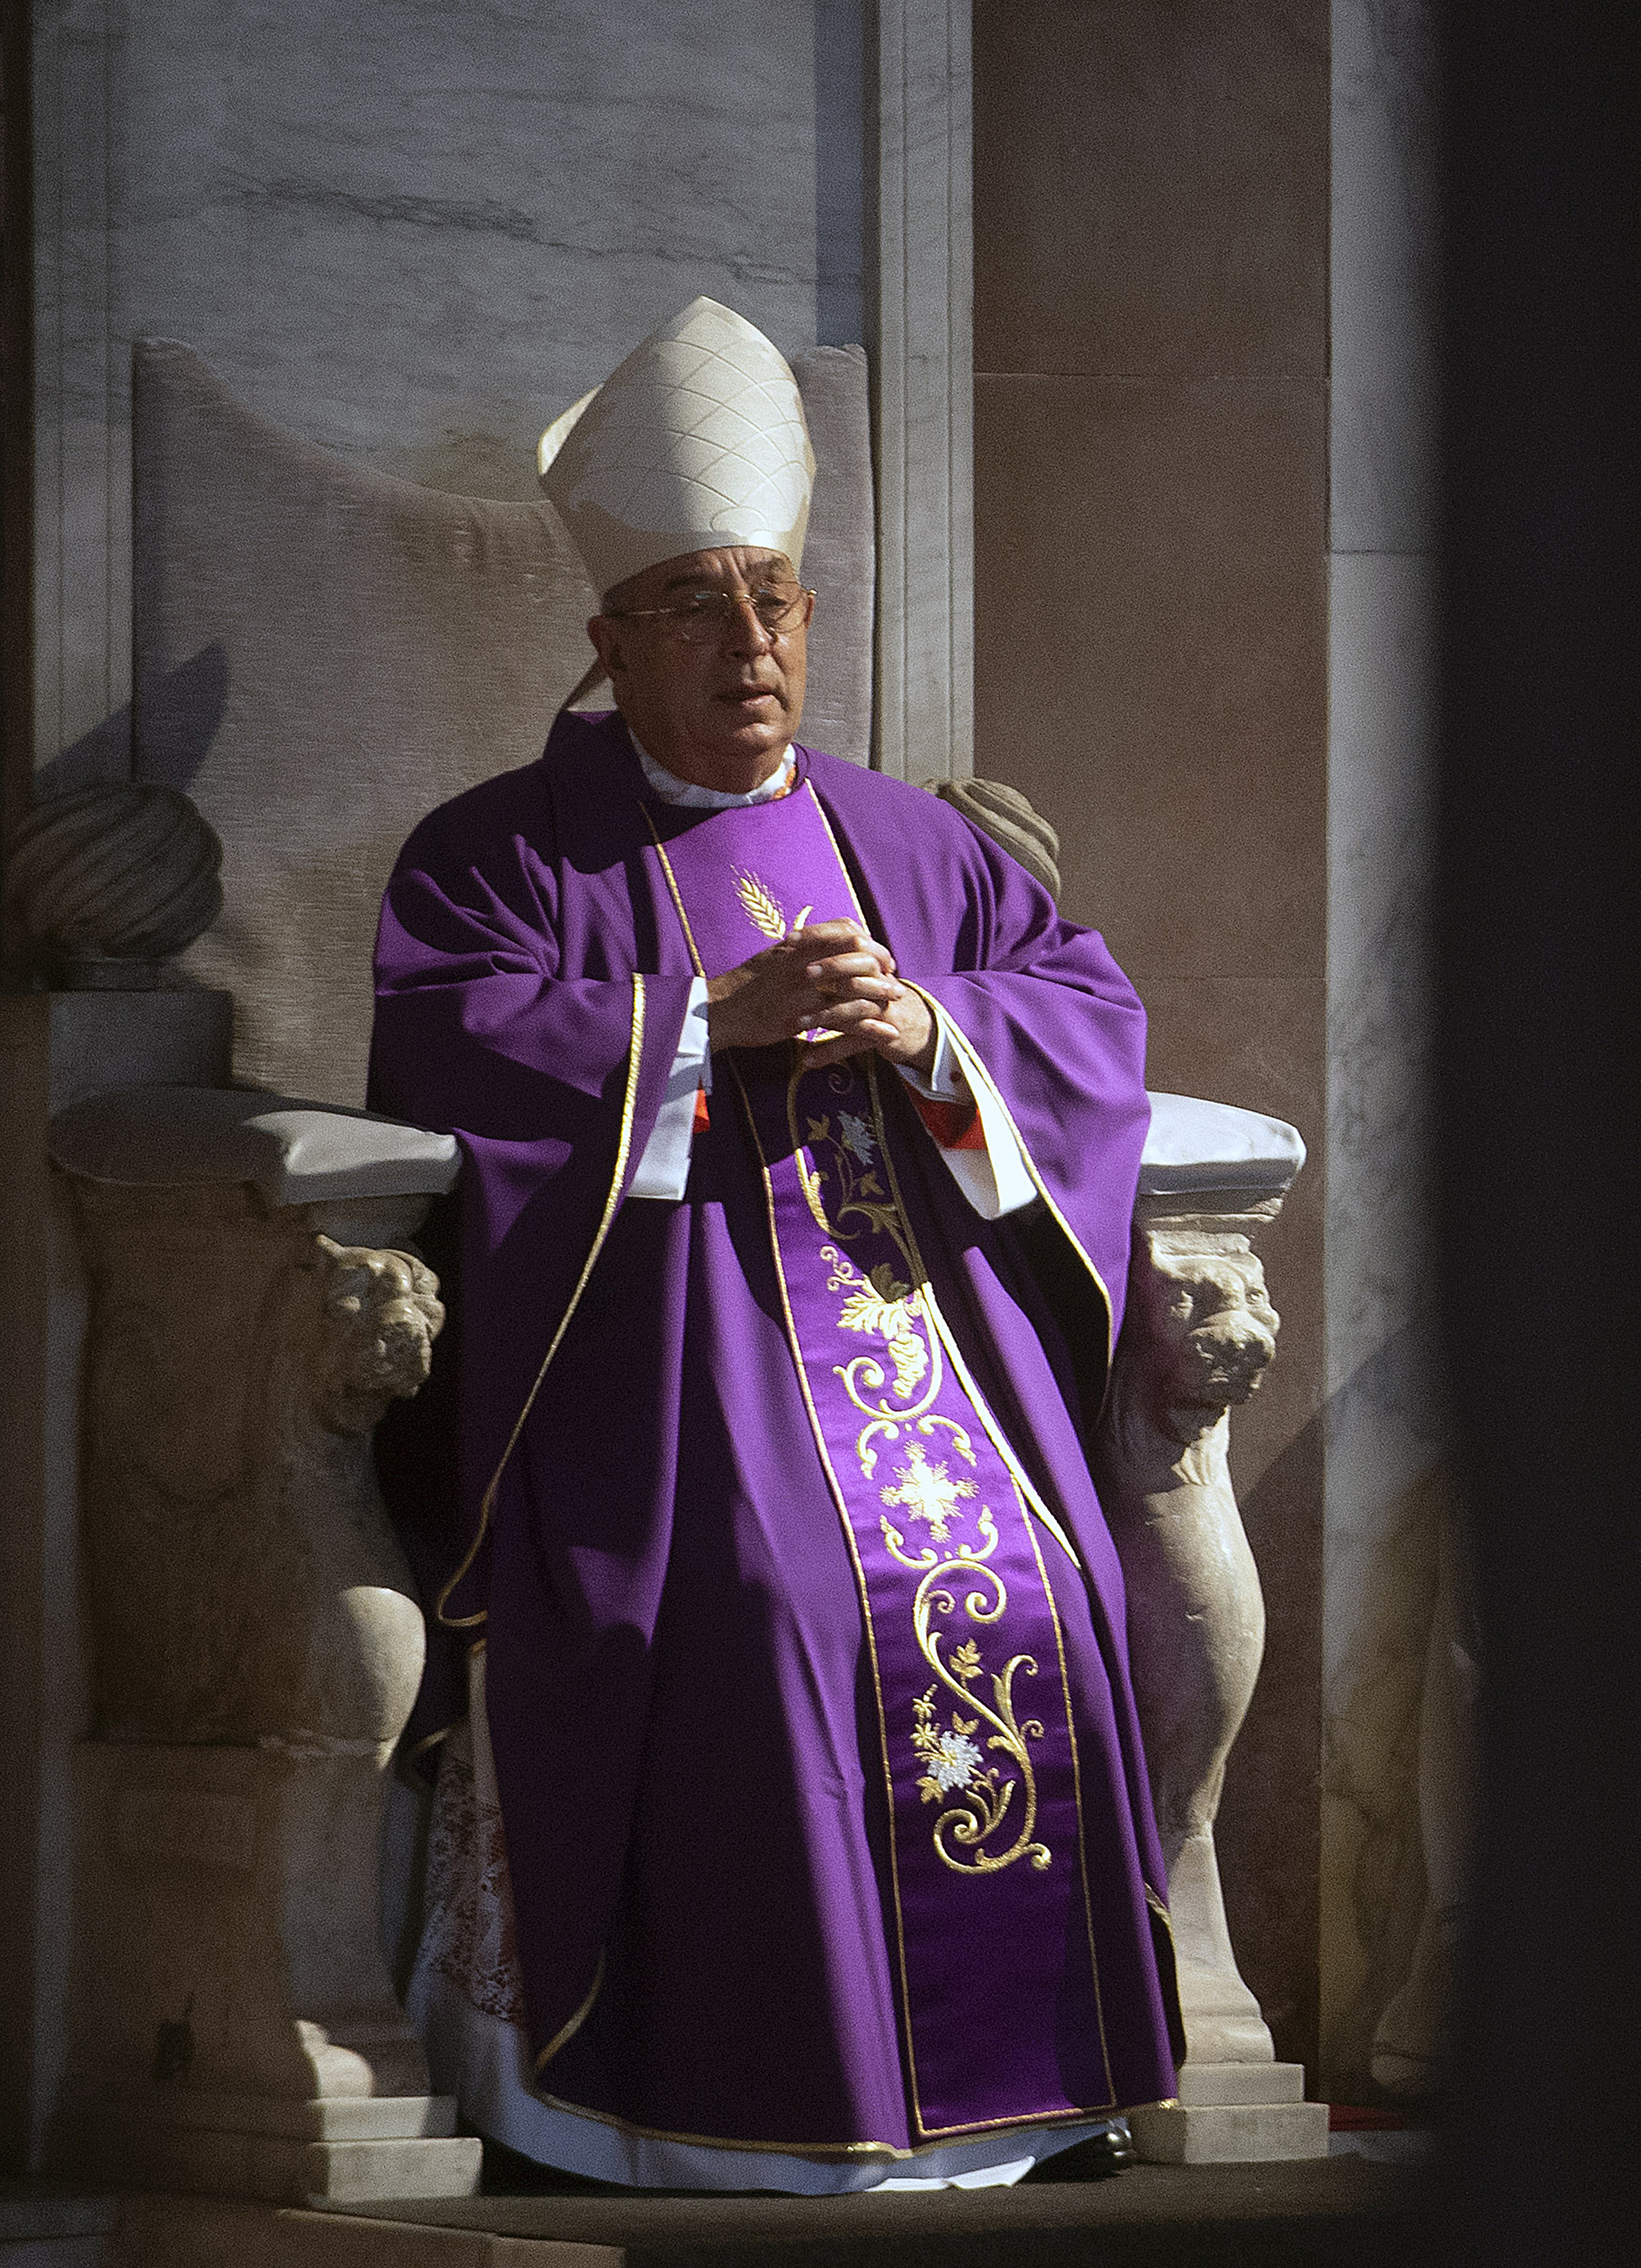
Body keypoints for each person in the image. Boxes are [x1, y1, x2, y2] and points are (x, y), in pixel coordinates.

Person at [371, 298, 1181, 2190]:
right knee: (764, 1603)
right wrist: (695, 1028)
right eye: (700, 607)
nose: (753, 647)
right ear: (607, 642)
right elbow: (446, 1041)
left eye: (780, 605)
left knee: (1045, 1590)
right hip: (666, 1365)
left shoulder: (920, 843)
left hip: (933, 1367)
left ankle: (1014, 2095)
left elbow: (1086, 1013)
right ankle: (733, 2120)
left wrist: (935, 1037)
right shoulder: (504, 854)